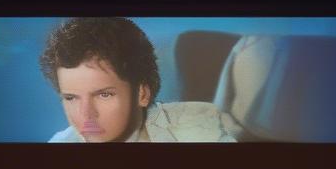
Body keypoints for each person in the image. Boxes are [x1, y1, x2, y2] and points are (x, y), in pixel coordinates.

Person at [39, 17, 237, 143]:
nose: (85, 115)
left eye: (104, 94)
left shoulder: (201, 127)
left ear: (142, 93)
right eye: (71, 98)